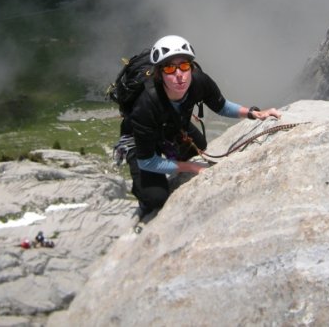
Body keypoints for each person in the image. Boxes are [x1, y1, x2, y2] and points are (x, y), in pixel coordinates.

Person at [118, 35, 282, 217]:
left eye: (184, 66)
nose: (179, 75)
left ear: (191, 67)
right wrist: (190, 167)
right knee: (155, 198)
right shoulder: (147, 102)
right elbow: (147, 161)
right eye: (170, 68)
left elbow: (221, 106)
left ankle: (171, 162)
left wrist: (253, 113)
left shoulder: (198, 81)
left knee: (199, 146)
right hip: (139, 139)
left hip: (171, 126)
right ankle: (143, 193)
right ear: (159, 73)